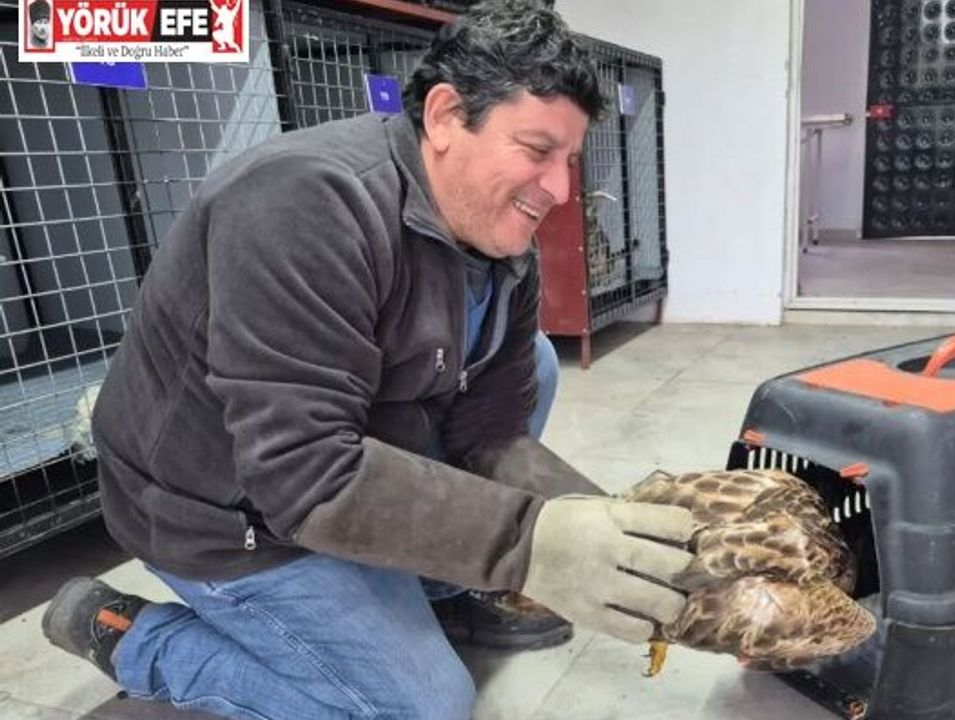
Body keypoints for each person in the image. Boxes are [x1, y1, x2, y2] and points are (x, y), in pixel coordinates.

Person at [40, 2, 696, 718]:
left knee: (530, 363)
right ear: (446, 116)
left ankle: (441, 592)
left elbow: (492, 432)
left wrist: (611, 529)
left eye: (568, 160)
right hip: (226, 515)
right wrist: (528, 542)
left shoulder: (500, 238)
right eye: (537, 150)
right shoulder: (305, 204)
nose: (561, 188)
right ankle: (135, 637)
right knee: (423, 707)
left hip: (349, 458)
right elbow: (304, 474)